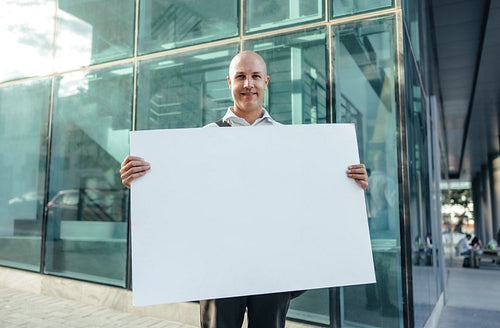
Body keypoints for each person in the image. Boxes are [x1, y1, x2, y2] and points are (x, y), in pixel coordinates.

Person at [120, 51, 369, 328]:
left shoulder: (293, 143)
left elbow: (311, 199)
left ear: (266, 82)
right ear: (229, 82)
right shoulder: (200, 141)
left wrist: (349, 183)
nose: (248, 83)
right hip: (219, 267)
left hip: (273, 267)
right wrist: (141, 180)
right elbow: (178, 199)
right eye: (240, 76)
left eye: (255, 76)